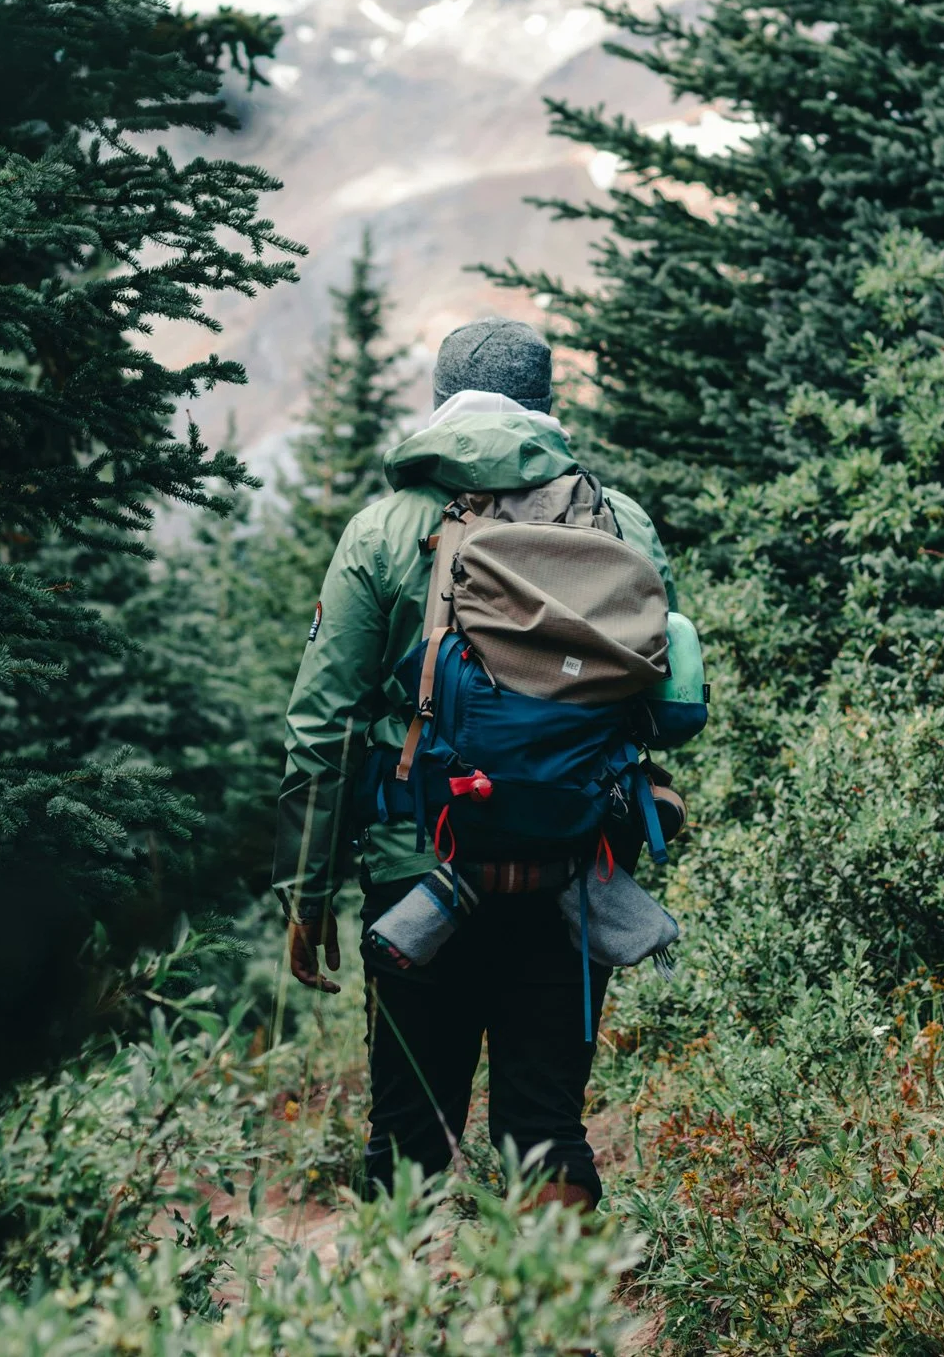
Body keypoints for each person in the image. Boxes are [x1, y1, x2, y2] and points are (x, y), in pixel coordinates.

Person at [272, 316, 677, 1211]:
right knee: (545, 1130)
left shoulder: (384, 530)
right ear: (543, 405)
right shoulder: (620, 520)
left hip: (419, 869)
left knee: (409, 1134)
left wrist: (306, 894)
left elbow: (321, 724)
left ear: (441, 404)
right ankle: (553, 1331)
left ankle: (403, 1328)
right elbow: (670, 705)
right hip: (574, 870)